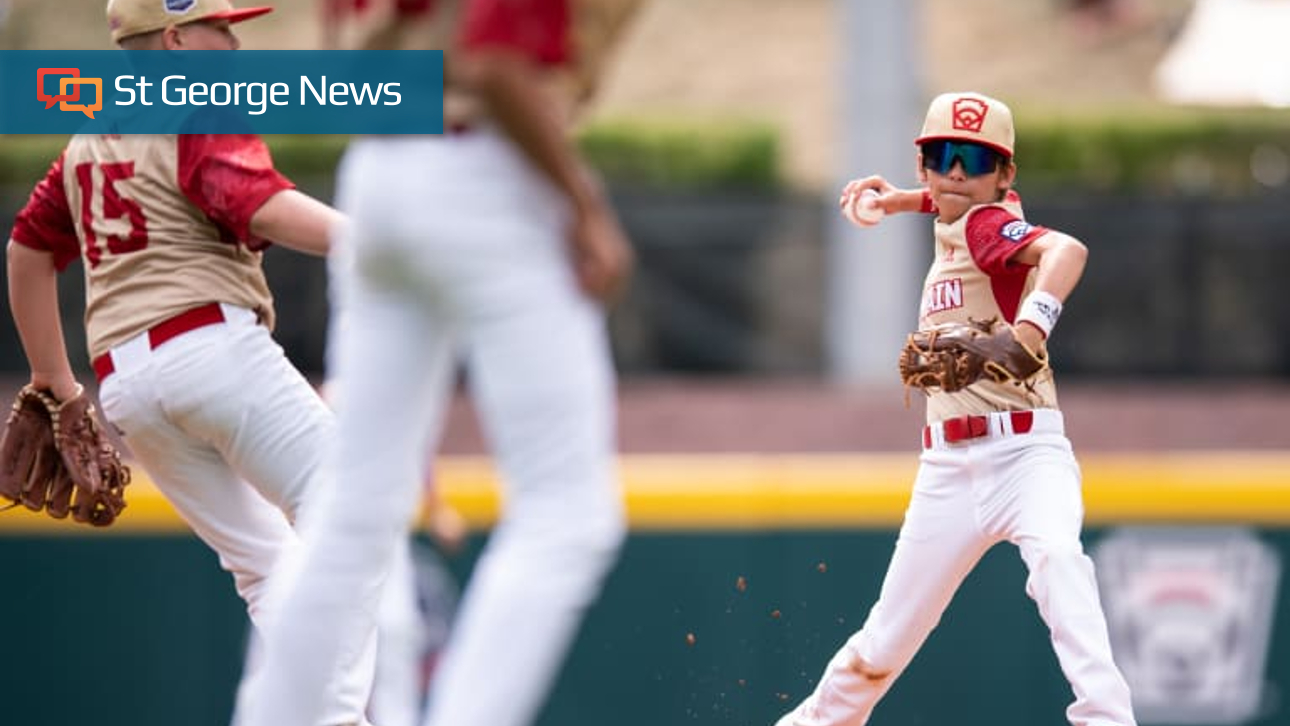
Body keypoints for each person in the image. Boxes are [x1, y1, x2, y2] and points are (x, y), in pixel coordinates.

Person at [233, 2, 644, 726]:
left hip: (382, 169)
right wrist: (584, 207)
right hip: (480, 163)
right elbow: (494, 66)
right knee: (568, 512)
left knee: (354, 510)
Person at [5, 2, 379, 725]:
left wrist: (55, 380)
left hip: (127, 388)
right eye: (221, 27)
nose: (235, 41)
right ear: (175, 40)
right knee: (351, 507)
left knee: (264, 563)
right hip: (209, 348)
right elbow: (260, 204)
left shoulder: (87, 139)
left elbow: (26, 252)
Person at [776, 92, 1137, 726]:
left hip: (1026, 454)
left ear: (1006, 176)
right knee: (882, 643)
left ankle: (1107, 719)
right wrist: (897, 202)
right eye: (942, 157)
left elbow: (1067, 251)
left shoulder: (985, 224)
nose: (957, 174)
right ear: (924, 166)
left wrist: (1030, 329)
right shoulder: (959, 212)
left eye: (976, 159)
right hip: (947, 468)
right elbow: (951, 203)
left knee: (1057, 558)